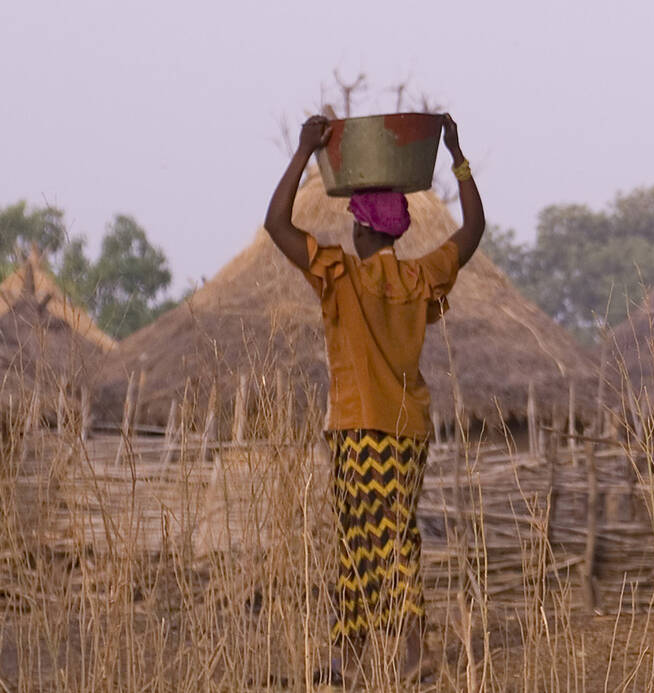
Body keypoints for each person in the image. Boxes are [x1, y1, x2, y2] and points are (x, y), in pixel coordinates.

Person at [263, 113, 485, 682]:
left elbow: (276, 224)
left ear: (362, 230)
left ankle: (410, 652)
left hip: (361, 430)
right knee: (379, 535)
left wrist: (303, 151)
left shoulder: (340, 275)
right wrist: (457, 157)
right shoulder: (420, 278)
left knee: (374, 539)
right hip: (408, 431)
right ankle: (348, 656)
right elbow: (472, 231)